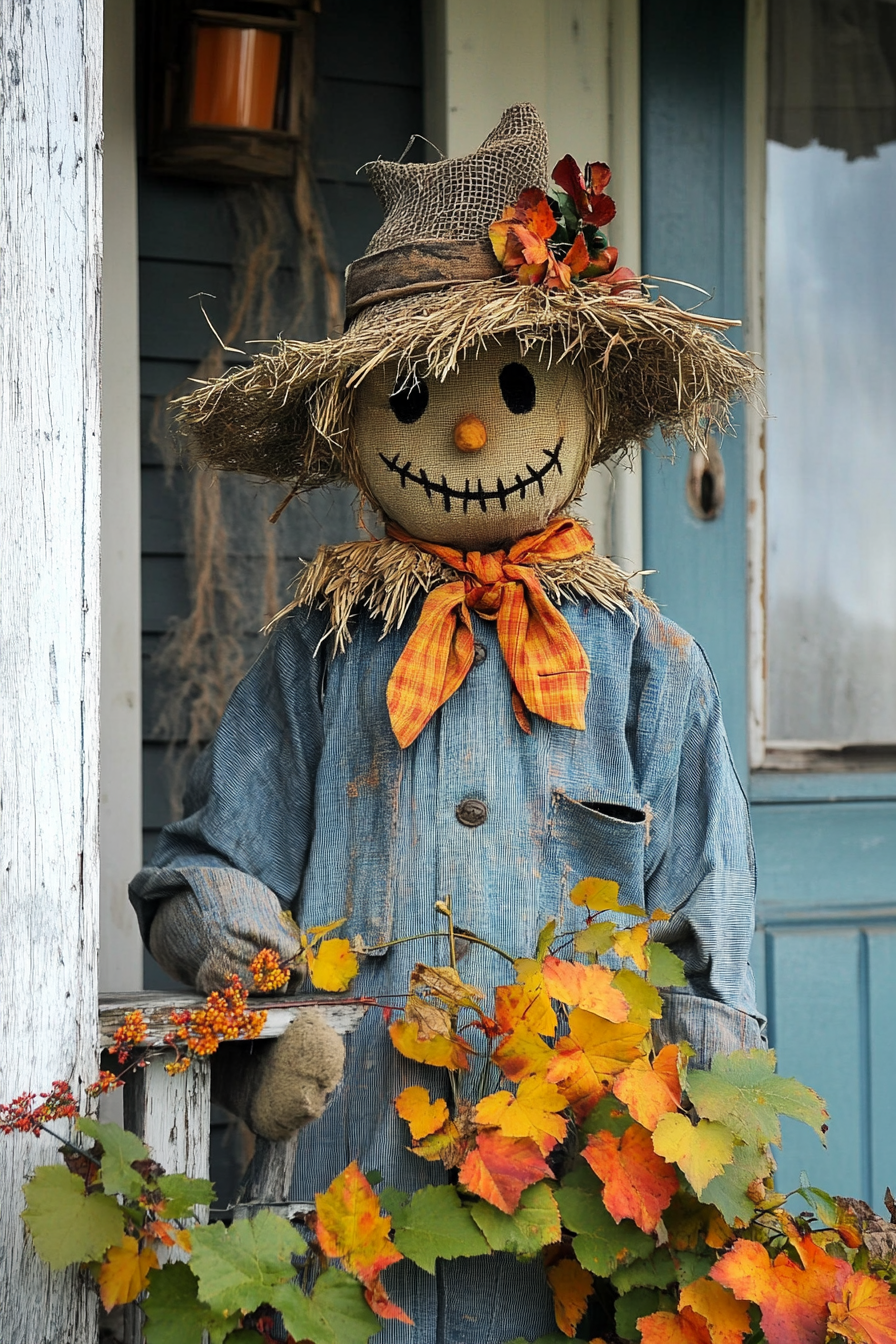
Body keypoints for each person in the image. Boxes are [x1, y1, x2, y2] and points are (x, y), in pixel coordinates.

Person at [130, 105, 763, 1342]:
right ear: (358, 427)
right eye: (420, 396)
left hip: (573, 1219)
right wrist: (263, 998)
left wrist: (708, 1153)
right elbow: (203, 872)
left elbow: (707, 930)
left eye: (513, 388)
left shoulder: (650, 667)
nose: (471, 431)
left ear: (581, 407)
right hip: (345, 1193)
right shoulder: (315, 656)